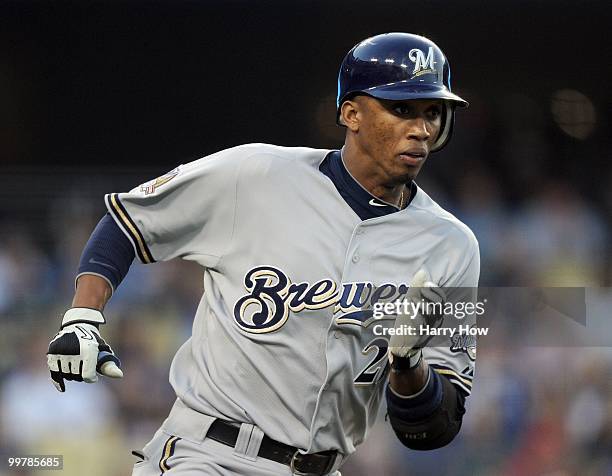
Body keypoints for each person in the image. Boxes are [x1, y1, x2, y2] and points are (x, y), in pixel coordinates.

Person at [47, 32, 479, 476]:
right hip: (208, 455)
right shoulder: (256, 174)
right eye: (401, 108)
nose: (421, 129)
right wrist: (83, 316)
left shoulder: (451, 244)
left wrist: (408, 366)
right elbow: (128, 222)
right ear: (350, 112)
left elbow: (433, 429)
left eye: (432, 112)